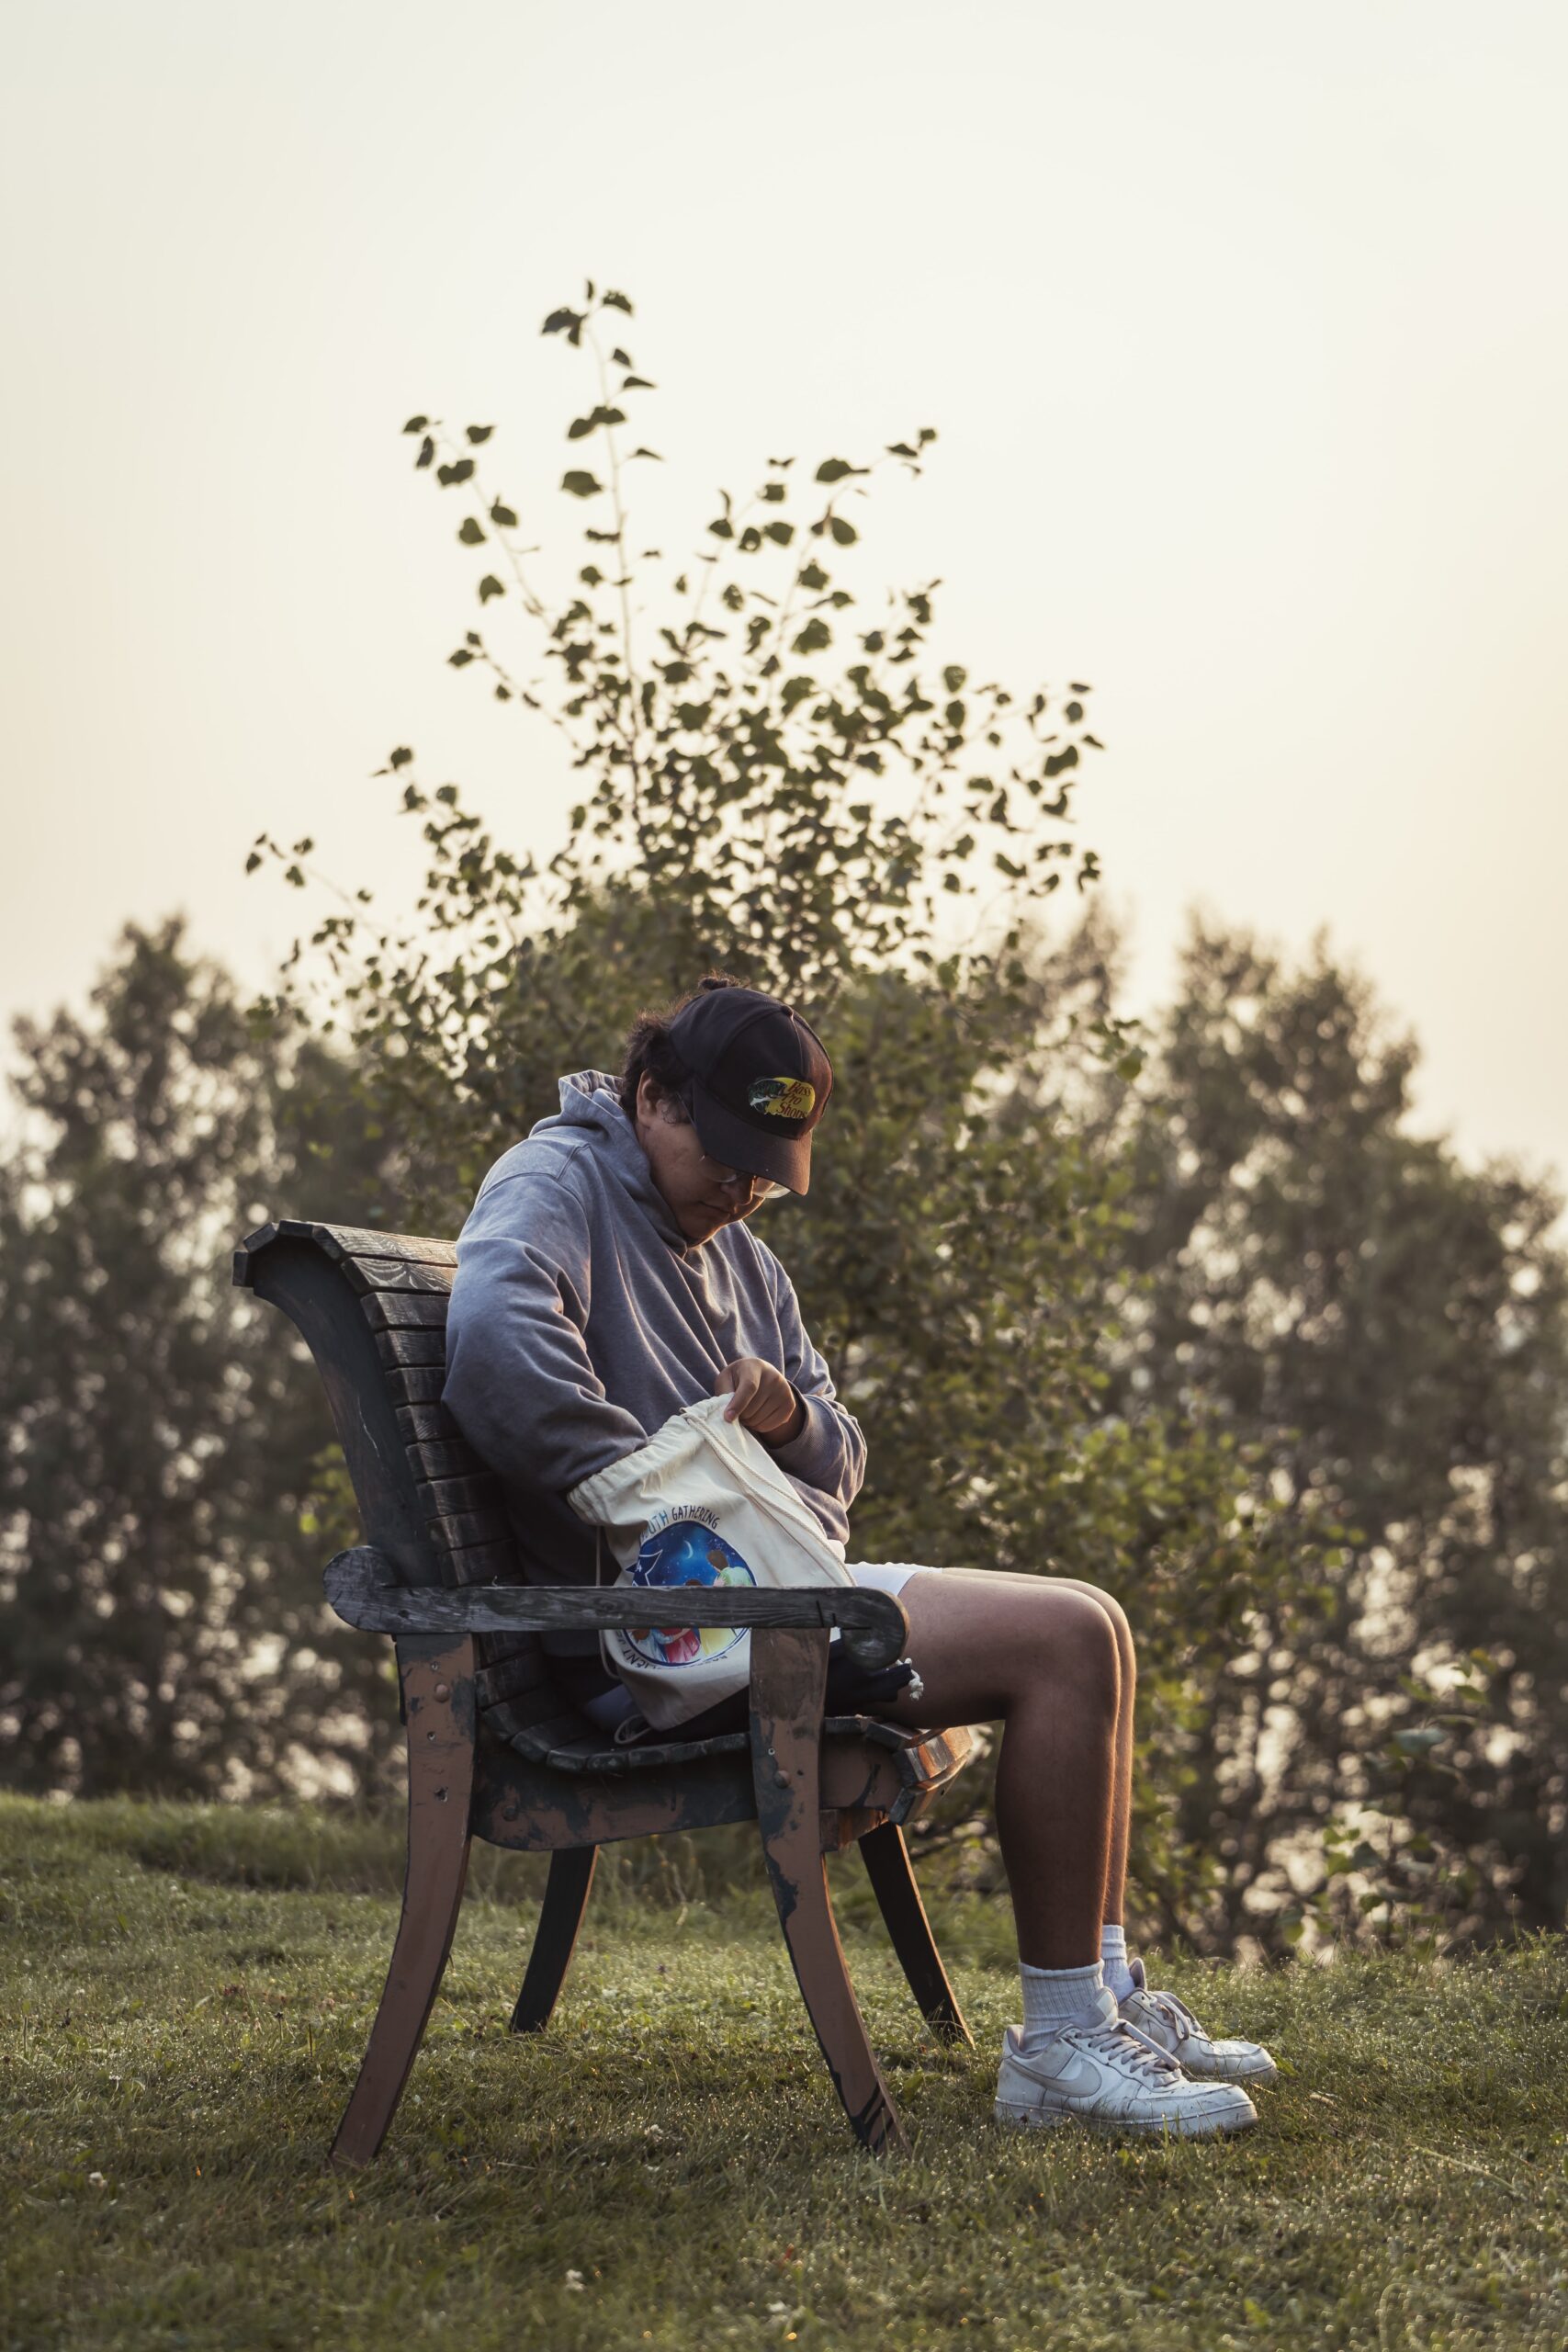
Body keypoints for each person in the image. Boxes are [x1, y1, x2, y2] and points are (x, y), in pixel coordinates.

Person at [444, 975, 1278, 2137]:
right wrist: (656, 1504)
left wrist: (789, 1422)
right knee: (1067, 1642)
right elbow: (492, 1352)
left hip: (771, 1598)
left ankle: (1105, 1991)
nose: (740, 1193)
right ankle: (1059, 2045)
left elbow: (840, 1466)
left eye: (765, 1173)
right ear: (651, 1099)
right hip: (662, 1631)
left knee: (1099, 1617)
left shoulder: (742, 1259)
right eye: (725, 1156)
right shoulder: (555, 1186)